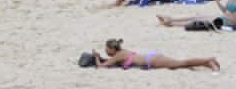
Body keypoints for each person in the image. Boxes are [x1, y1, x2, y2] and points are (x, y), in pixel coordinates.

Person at [91, 39, 219, 72]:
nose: (105, 50)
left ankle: (208, 58)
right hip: (152, 57)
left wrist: (97, 56)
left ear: (112, 49)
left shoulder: (118, 55)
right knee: (180, 65)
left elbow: (101, 66)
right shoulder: (121, 52)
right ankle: (207, 64)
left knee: (182, 63)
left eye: (106, 48)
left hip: (152, 60)